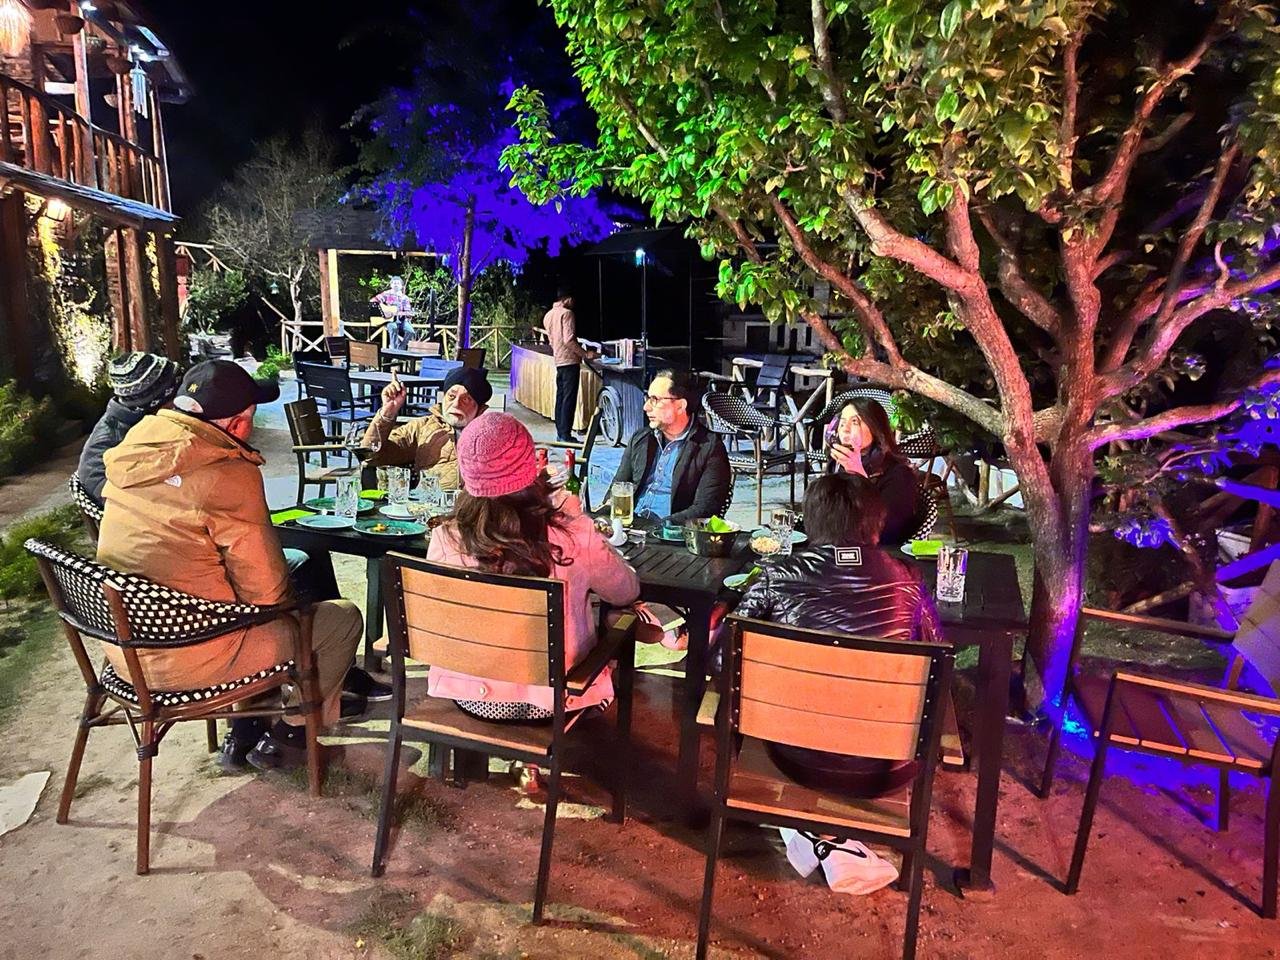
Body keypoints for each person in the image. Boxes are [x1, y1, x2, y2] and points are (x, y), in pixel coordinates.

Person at [96, 360, 367, 773]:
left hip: (126, 652)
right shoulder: (227, 471)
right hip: (191, 661)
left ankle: (244, 733)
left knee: (242, 609)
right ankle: (289, 739)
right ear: (240, 423)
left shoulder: (136, 448)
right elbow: (266, 594)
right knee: (339, 619)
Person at [729, 473, 945, 894]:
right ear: (876, 523)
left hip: (793, 756)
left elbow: (728, 657)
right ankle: (830, 840)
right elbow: (937, 658)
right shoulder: (908, 578)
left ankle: (816, 835)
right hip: (886, 767)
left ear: (810, 520)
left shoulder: (777, 575)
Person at [426, 411, 640, 721]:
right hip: (552, 702)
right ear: (530, 465)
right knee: (619, 620)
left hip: (468, 695)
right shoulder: (570, 531)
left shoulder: (446, 536)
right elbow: (625, 591)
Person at [611, 369, 731, 524]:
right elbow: (618, 486)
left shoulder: (709, 447)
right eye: (648, 398)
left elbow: (706, 508)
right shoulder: (641, 438)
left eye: (655, 399)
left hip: (670, 530)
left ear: (680, 406)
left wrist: (663, 526)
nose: (646, 407)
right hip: (630, 523)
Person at [361, 366, 492, 490]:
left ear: (480, 408)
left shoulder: (491, 436)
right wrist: (387, 413)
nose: (456, 404)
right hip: (430, 502)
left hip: (476, 504)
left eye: (466, 399)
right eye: (451, 396)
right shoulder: (422, 427)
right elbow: (370, 455)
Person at [78, 352, 180, 506]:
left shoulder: (139, 419)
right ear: (156, 401)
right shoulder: (112, 444)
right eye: (177, 393)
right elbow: (113, 499)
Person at [826, 396, 922, 545]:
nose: (845, 429)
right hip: (838, 543)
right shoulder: (837, 464)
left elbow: (888, 531)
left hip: (879, 551)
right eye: (842, 423)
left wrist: (859, 477)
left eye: (855, 422)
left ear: (875, 428)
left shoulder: (899, 474)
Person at [542, 287, 596, 442]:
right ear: (568, 299)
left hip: (558, 360)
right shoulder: (567, 314)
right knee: (569, 398)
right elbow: (568, 340)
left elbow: (552, 341)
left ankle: (560, 432)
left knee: (561, 396)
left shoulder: (548, 315)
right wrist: (585, 354)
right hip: (570, 360)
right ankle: (566, 434)